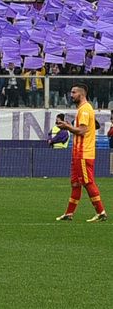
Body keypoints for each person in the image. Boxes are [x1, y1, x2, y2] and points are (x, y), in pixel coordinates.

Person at [54, 85, 106, 222]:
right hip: (78, 153)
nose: (71, 95)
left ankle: (101, 212)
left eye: (74, 92)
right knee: (76, 183)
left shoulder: (84, 110)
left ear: (81, 94)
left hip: (84, 153)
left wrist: (67, 127)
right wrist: (68, 126)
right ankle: (69, 213)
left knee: (88, 182)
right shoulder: (82, 109)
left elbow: (82, 131)